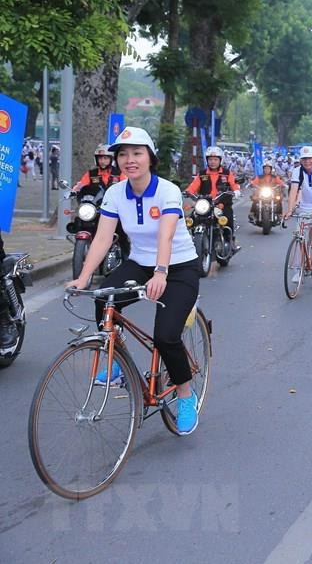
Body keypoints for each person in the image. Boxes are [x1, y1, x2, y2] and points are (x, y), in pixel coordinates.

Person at [67, 127, 202, 434]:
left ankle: (185, 394)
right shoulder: (116, 192)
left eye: (137, 153)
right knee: (104, 297)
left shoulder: (167, 190)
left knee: (166, 336)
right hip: (140, 264)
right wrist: (84, 277)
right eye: (123, 154)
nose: (130, 160)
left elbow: (165, 234)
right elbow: (103, 238)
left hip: (178, 268)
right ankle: (116, 357)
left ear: (150, 158)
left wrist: (161, 271)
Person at [184, 146, 242, 251]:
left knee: (227, 219)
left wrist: (236, 190)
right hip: (205, 204)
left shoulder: (226, 173)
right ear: (207, 160)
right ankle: (192, 241)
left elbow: (233, 184)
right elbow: (193, 186)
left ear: (220, 160)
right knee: (191, 219)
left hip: (222, 204)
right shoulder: (202, 174)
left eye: (215, 159)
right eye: (210, 159)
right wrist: (187, 192)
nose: (213, 162)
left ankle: (230, 242)